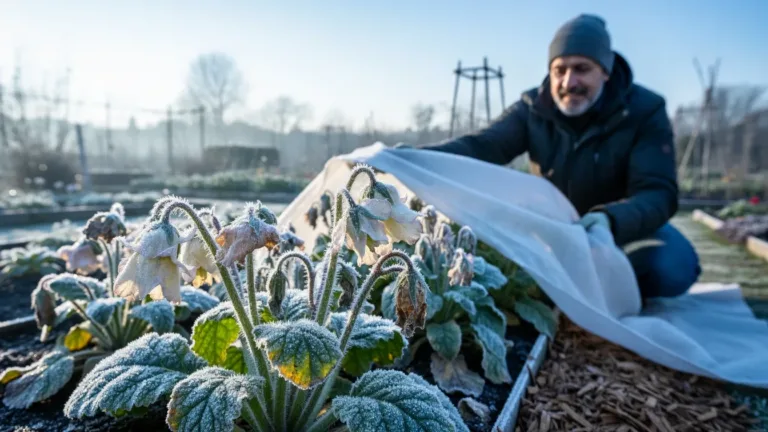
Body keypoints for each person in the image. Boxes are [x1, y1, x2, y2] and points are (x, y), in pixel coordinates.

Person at [413, 14, 701, 300]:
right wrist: (413, 158)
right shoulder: (533, 108)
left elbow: (657, 192)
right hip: (552, 226)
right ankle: (572, 284)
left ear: (606, 71)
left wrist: (609, 220)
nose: (568, 82)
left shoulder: (643, 111)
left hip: (617, 228)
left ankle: (602, 289)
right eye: (559, 70)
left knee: (672, 267)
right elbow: (484, 146)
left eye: (581, 69)